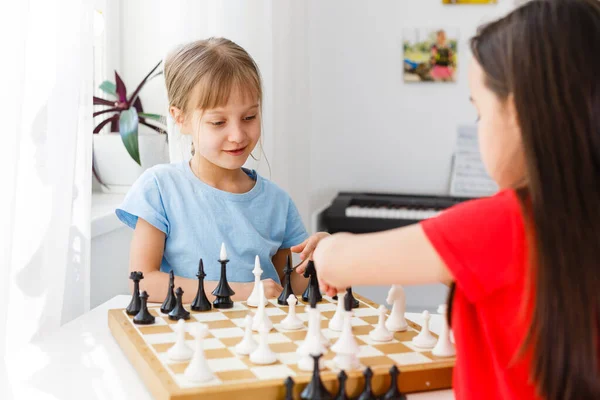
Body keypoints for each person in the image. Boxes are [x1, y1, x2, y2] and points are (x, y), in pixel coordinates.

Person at [310, 1, 600, 399]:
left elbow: (337, 263)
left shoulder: (500, 223)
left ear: (516, 112)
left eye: (480, 112)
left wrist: (327, 247)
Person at [116, 37, 328, 303]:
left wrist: (324, 260)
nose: (238, 135)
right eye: (218, 122)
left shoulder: (278, 203)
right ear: (180, 118)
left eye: (249, 117)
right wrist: (240, 292)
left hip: (260, 338)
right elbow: (143, 280)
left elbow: (283, 286)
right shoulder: (160, 188)